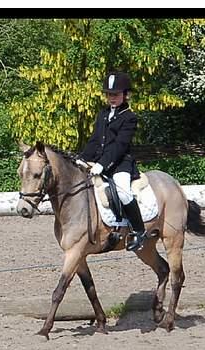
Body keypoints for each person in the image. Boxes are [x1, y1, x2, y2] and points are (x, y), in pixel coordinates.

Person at [79, 71, 147, 251]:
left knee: (123, 192)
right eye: (109, 94)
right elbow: (94, 140)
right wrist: (82, 159)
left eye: (116, 94)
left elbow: (119, 145)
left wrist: (102, 164)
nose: (112, 98)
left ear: (126, 95)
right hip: (99, 162)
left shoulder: (129, 117)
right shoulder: (102, 114)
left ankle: (139, 231)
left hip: (121, 164)